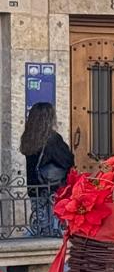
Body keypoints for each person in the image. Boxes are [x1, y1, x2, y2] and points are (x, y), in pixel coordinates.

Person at [19, 101, 73, 236]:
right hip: (51, 188)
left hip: (34, 187)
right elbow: (67, 161)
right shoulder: (52, 138)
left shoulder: (28, 137)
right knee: (53, 227)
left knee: (40, 222)